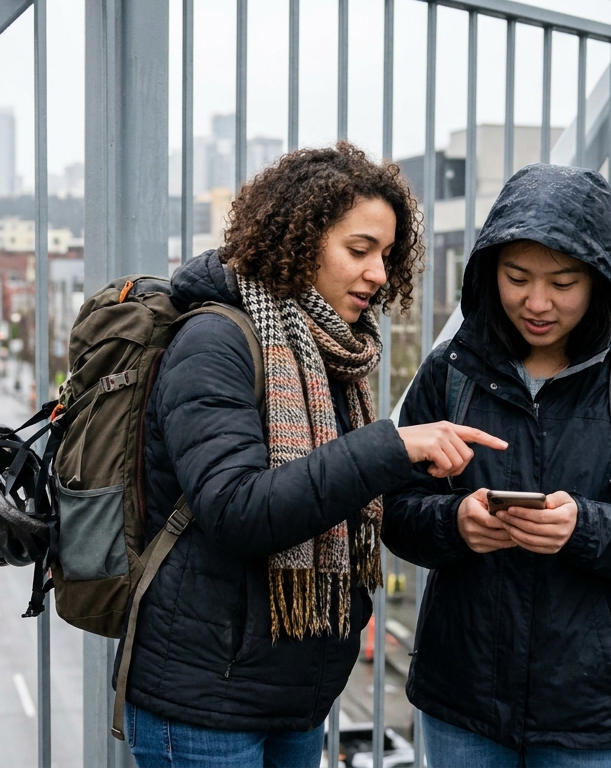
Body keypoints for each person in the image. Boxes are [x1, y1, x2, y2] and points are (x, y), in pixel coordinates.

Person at [119, 142, 506, 767]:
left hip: (294, 694)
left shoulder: (328, 351)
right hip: (202, 701)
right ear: (296, 240)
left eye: (386, 254)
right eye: (359, 251)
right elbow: (237, 507)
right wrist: (392, 445)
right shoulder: (214, 341)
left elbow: (339, 495)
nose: (379, 274)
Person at [383, 163, 611, 767]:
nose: (536, 303)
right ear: (489, 273)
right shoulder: (449, 371)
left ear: (601, 281)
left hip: (594, 711)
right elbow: (396, 510)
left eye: (563, 283)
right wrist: (455, 523)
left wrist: (583, 528)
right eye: (516, 278)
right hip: (462, 696)